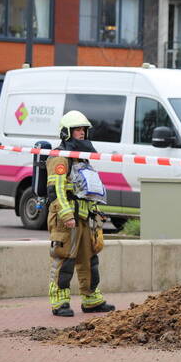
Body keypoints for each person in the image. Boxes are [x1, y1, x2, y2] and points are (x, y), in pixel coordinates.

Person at [46, 111, 115, 317]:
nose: (82, 133)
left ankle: (92, 299)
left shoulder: (82, 158)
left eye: (84, 129)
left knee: (90, 259)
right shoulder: (60, 157)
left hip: (85, 217)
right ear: (67, 132)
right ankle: (60, 301)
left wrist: (95, 212)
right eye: (77, 129)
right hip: (65, 219)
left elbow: (87, 188)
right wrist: (67, 215)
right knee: (65, 258)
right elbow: (56, 190)